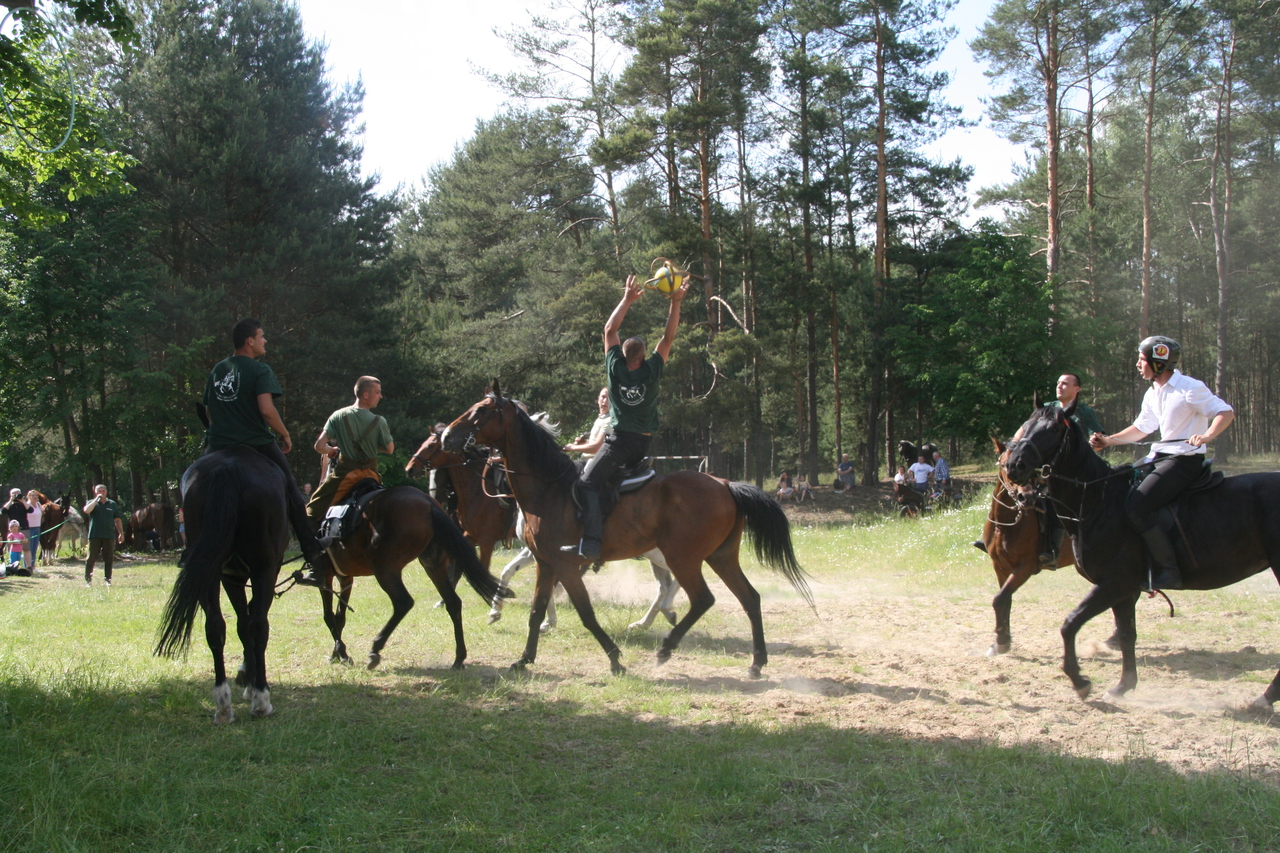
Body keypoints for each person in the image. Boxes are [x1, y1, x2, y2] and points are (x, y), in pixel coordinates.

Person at [1090, 336, 1234, 590]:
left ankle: (1169, 570)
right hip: (1160, 457)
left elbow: (1225, 412)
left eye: (1142, 360)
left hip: (1184, 460)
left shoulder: (1189, 387)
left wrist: (1208, 435)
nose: (1137, 364)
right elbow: (1142, 427)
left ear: (1158, 364)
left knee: (1138, 505)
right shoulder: (1152, 392)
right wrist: (1109, 441)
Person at [565, 272, 690, 559]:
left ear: (621, 354)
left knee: (586, 483)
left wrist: (627, 299)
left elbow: (610, 329)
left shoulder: (614, 369)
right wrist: (676, 301)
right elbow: (668, 336)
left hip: (619, 443)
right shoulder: (652, 369)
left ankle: (593, 541)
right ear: (645, 356)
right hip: (643, 444)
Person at [204, 318, 331, 582]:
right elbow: (266, 409)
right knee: (293, 494)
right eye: (262, 336)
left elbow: (208, 410)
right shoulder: (260, 370)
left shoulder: (218, 369)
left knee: (195, 486)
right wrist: (285, 435)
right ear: (249, 341)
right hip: (256, 443)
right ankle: (313, 555)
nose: (265, 341)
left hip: (217, 444)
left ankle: (191, 549)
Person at [299, 375, 394, 585]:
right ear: (366, 394)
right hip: (371, 475)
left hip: (345, 476)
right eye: (377, 392)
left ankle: (316, 568)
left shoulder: (338, 416)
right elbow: (389, 449)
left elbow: (318, 447)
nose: (380, 396)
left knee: (309, 514)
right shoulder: (379, 421)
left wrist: (332, 451)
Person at [82, 484, 124, 586]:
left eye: (103, 490)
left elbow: (117, 520)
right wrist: (96, 500)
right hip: (94, 535)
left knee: (109, 558)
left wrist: (121, 533)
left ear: (107, 492)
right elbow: (86, 510)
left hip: (108, 535)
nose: (102, 492)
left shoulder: (112, 504)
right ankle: (88, 580)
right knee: (91, 557)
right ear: (95, 492)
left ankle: (108, 579)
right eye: (99, 491)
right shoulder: (91, 503)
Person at [564, 388, 611, 457]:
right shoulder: (600, 419)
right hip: (584, 460)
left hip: (592, 461)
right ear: (598, 400)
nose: (605, 401)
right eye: (603, 397)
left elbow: (597, 447)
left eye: (609, 399)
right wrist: (583, 443)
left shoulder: (609, 420)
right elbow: (593, 443)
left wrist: (573, 447)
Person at [3, 489, 31, 573]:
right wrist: (11, 500)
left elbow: (31, 510)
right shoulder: (10, 505)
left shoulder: (24, 504)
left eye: (17, 494)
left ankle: (29, 567)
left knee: (26, 549)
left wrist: (22, 500)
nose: (16, 496)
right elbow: (3, 511)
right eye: (14, 495)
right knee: (12, 549)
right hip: (13, 530)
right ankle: (11, 567)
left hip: (24, 528)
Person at [24, 490, 42, 569]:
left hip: (37, 528)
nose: (35, 497)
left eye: (36, 495)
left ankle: (32, 566)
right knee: (29, 549)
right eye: (32, 495)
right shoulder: (27, 505)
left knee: (34, 548)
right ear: (28, 497)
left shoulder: (38, 504)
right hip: (29, 529)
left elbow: (43, 511)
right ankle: (27, 566)